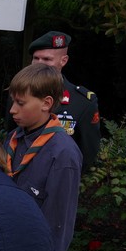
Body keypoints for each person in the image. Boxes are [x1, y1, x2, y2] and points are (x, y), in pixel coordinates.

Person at [5, 63, 83, 251]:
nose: (12, 110)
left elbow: (58, 225)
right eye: (13, 101)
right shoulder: (13, 139)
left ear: (46, 103)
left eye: (20, 103)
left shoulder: (63, 154)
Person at [27, 31, 101, 173]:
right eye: (36, 58)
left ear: (63, 61)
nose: (39, 64)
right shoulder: (19, 94)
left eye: (47, 59)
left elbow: (88, 152)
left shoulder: (82, 102)